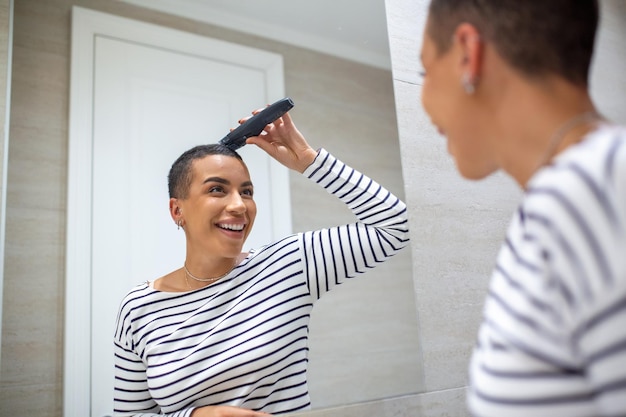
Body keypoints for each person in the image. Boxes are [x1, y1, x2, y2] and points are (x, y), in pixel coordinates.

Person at [112, 110, 410, 416]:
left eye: (247, 192)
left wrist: (308, 160)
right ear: (177, 211)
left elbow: (396, 225)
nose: (239, 205)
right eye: (217, 189)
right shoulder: (138, 308)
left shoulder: (289, 265)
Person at [419, 0, 625, 416]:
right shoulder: (560, 200)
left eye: (424, 71)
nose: (423, 98)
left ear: (466, 53)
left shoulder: (599, 186)